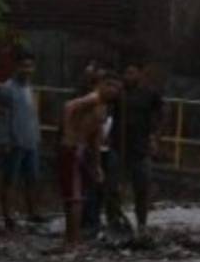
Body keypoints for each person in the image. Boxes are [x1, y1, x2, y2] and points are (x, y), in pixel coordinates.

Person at [59, 71, 122, 250]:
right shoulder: (93, 98)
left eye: (118, 88)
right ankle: (71, 240)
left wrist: (97, 165)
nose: (114, 91)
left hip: (82, 150)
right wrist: (68, 134)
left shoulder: (103, 107)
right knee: (74, 197)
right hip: (71, 148)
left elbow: (95, 138)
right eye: (110, 85)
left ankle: (73, 238)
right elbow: (68, 107)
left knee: (77, 196)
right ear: (102, 84)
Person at [111, 62, 164, 237]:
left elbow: (161, 112)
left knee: (142, 188)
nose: (128, 76)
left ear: (139, 74)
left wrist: (155, 136)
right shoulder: (118, 94)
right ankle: (115, 222)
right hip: (118, 147)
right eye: (126, 73)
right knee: (114, 188)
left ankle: (142, 224)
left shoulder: (149, 94)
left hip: (140, 149)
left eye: (132, 72)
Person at [0, 50, 42, 231]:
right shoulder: (7, 88)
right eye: (24, 66)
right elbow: (1, 117)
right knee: (10, 180)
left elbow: (32, 115)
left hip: (31, 140)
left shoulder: (29, 87)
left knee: (32, 178)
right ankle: (8, 216)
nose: (27, 70)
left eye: (30, 66)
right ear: (16, 67)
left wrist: (37, 137)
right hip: (14, 141)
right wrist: (4, 141)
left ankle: (33, 212)